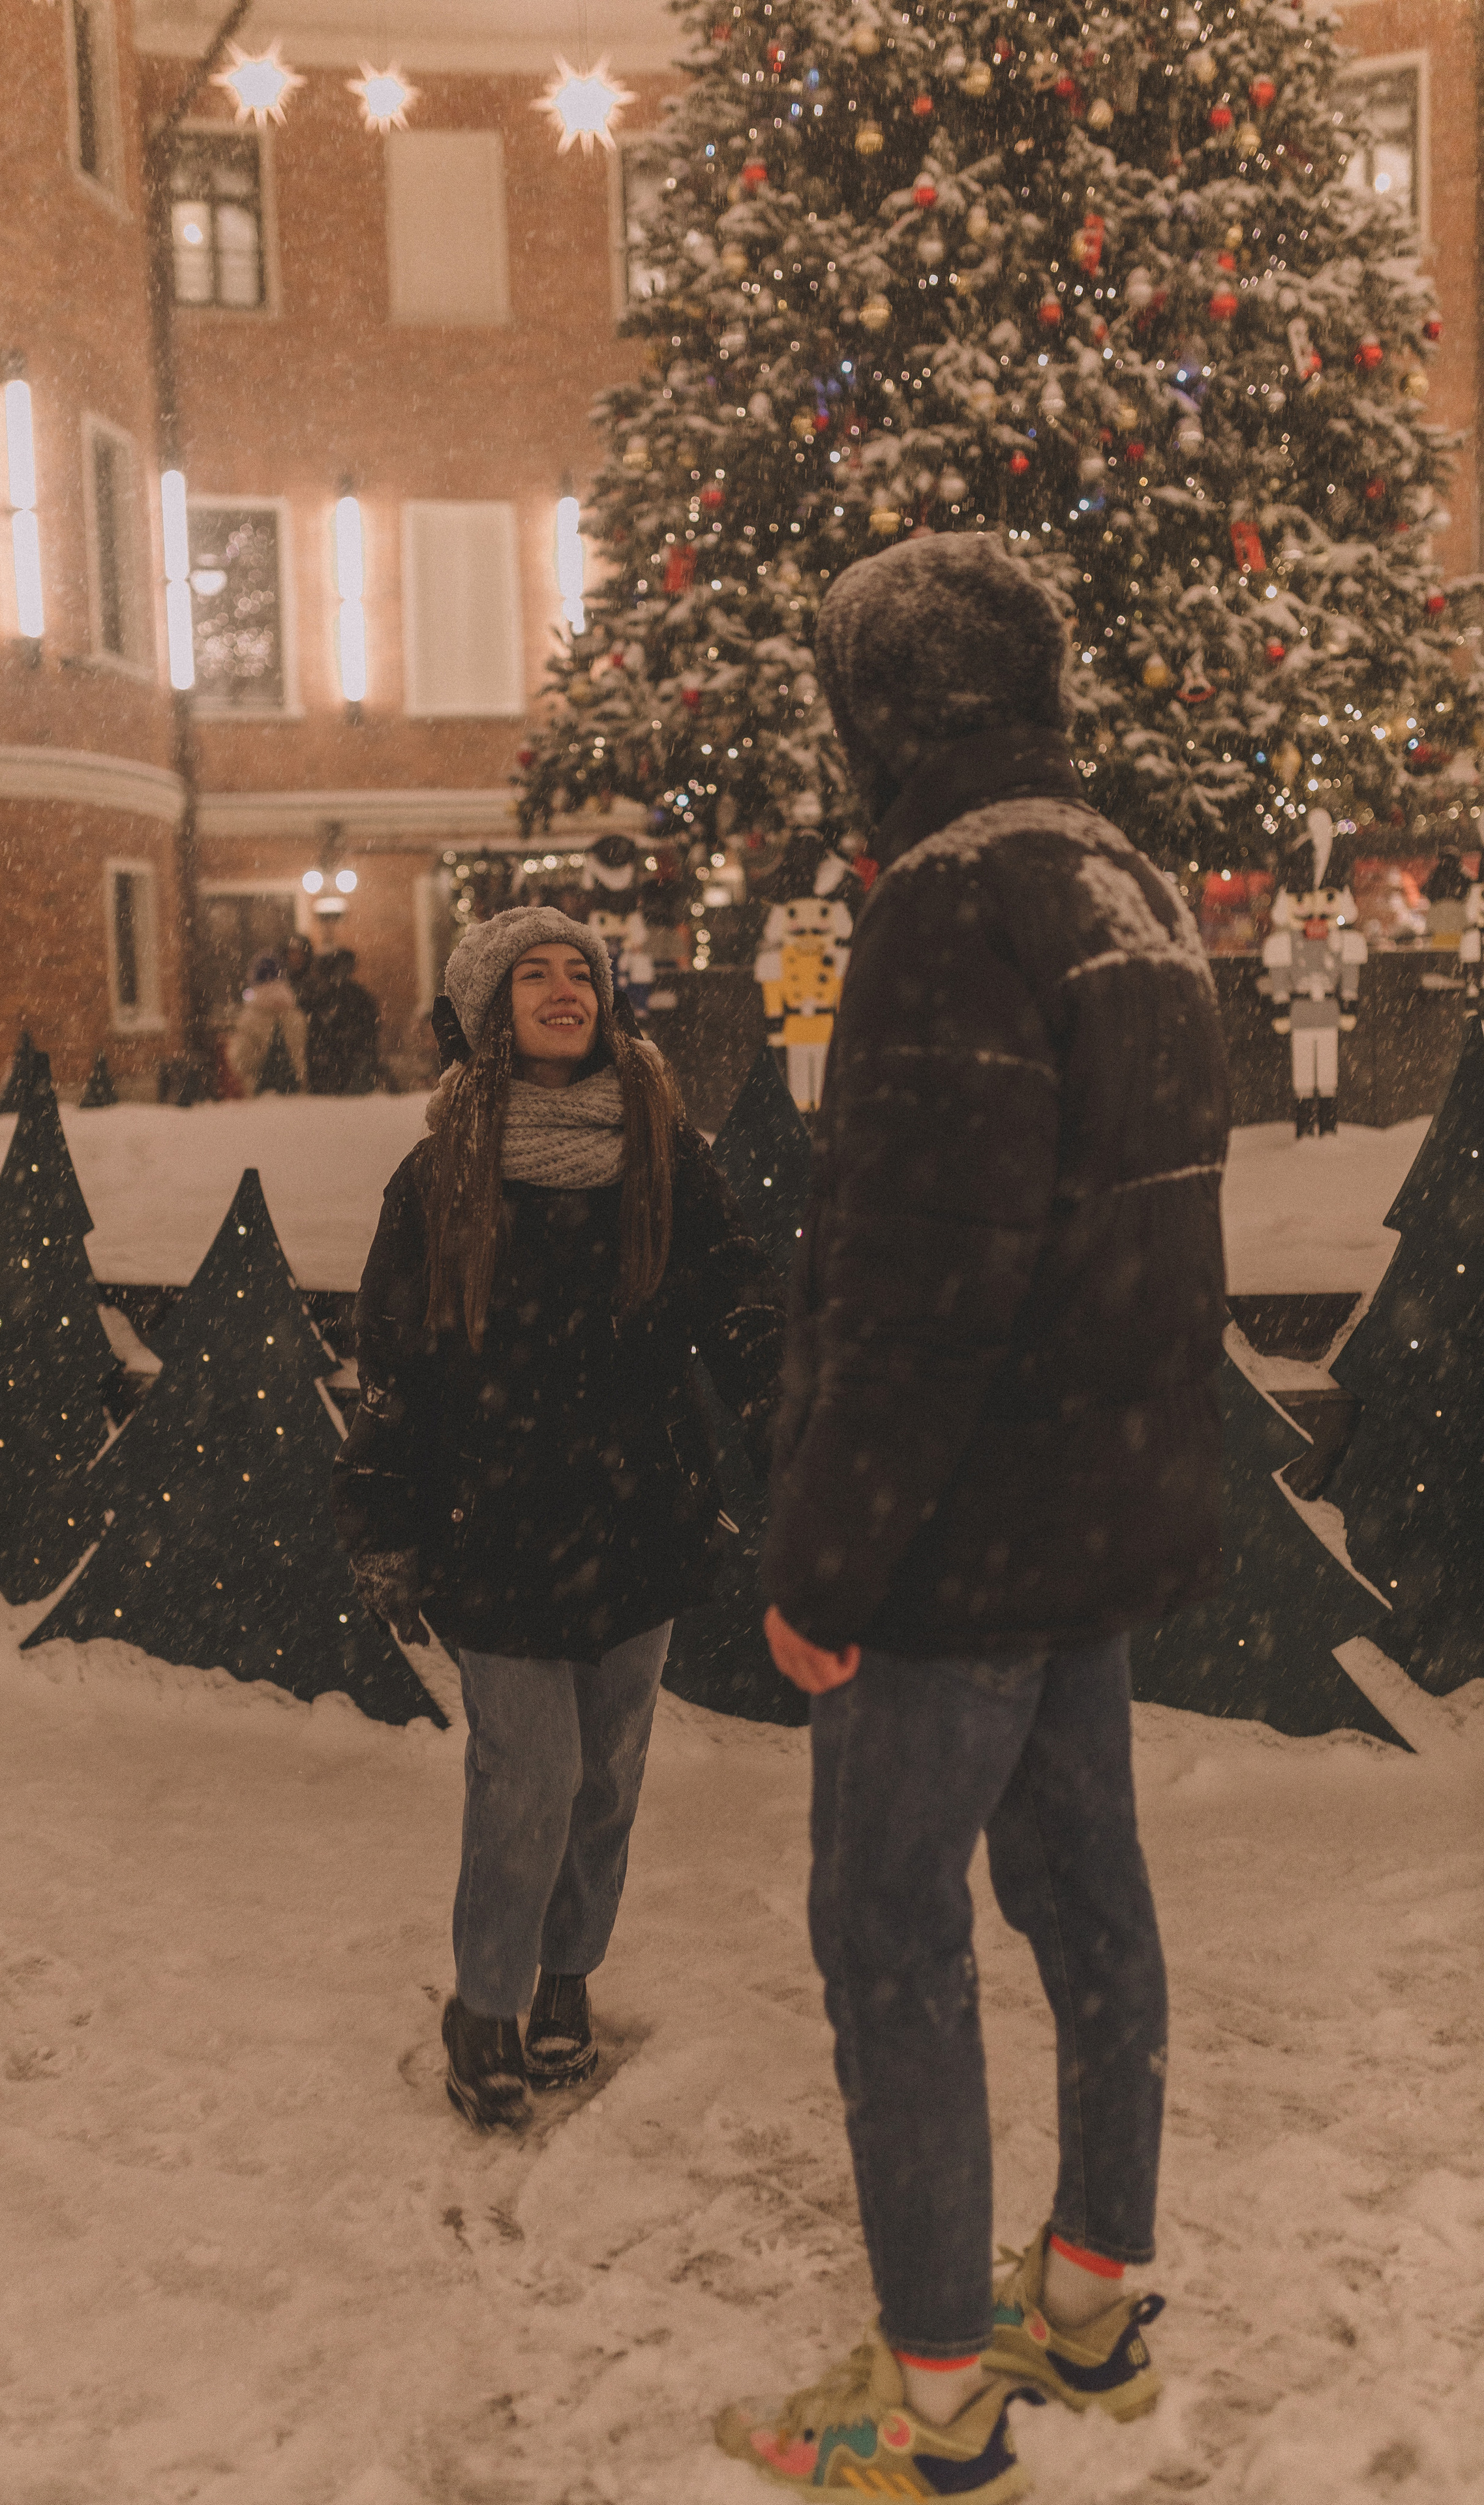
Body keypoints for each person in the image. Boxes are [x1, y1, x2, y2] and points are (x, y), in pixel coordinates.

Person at [717, 536, 1230, 2502]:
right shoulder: (1126, 884)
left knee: (887, 1929)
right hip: (1091, 1518)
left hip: (952, 1555)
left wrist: (826, 1558)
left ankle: (931, 2394)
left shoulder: (943, 902)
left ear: (878, 709)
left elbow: (923, 1275)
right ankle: (1090, 2287)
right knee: (1089, 1895)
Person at [332, 907, 782, 2131]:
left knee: (608, 1780)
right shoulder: (440, 1175)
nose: (561, 986)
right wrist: (384, 1514)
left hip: (639, 1514)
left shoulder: (669, 1158)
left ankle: (565, 1979)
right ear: (490, 1012)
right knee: (529, 1771)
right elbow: (392, 1358)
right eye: (532, 973)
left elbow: (736, 1310)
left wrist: (786, 1423)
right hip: (495, 1519)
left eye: (577, 969)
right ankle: (484, 2005)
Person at [227, 953, 309, 1094]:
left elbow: (239, 1058)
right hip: (296, 1092)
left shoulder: (250, 1018)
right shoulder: (296, 1015)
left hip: (261, 1093)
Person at [305, 949, 381, 1094]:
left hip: (345, 1064)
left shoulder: (355, 996)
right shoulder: (319, 996)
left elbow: (371, 1028)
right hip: (335, 1065)